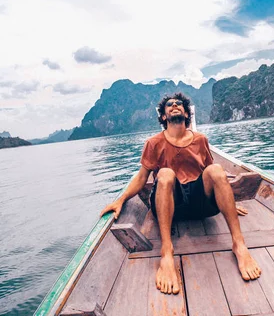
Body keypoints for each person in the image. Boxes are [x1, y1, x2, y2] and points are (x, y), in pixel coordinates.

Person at [100, 92, 261, 295]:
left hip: (200, 205)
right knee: (166, 174)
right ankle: (166, 253)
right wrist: (121, 199)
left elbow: (213, 176)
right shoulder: (153, 143)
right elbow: (142, 178)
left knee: (217, 170)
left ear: (186, 113)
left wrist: (227, 202)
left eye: (179, 104)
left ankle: (239, 245)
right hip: (170, 206)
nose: (174, 105)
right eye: (169, 104)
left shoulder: (201, 140)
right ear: (164, 116)